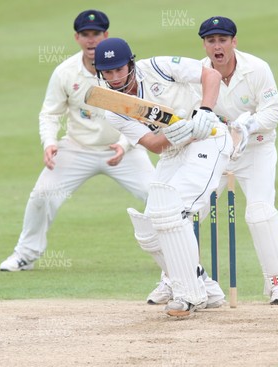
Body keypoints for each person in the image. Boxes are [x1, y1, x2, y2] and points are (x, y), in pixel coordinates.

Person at [0, 10, 155, 271]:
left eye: (96, 34)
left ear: (106, 35)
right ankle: (25, 254)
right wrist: (49, 143)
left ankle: (172, 259)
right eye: (86, 35)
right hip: (77, 148)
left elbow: (142, 111)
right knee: (42, 194)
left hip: (124, 149)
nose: (91, 40)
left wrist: (125, 144)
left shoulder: (124, 69)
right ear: (77, 37)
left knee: (157, 194)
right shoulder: (65, 72)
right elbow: (50, 113)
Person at [93, 37, 233, 316]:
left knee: (173, 211)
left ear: (130, 64)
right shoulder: (112, 105)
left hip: (208, 139)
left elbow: (212, 75)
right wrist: (172, 134)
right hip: (173, 151)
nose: (115, 77)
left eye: (119, 69)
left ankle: (189, 296)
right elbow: (154, 145)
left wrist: (204, 112)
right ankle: (204, 284)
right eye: (107, 72)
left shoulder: (158, 66)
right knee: (149, 229)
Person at [196, 16, 278, 304]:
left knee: (260, 212)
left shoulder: (256, 68)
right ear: (204, 45)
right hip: (215, 150)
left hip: (256, 149)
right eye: (211, 40)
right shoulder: (196, 73)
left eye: (223, 40)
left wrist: (246, 127)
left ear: (234, 42)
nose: (218, 46)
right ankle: (179, 280)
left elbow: (273, 112)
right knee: (191, 211)